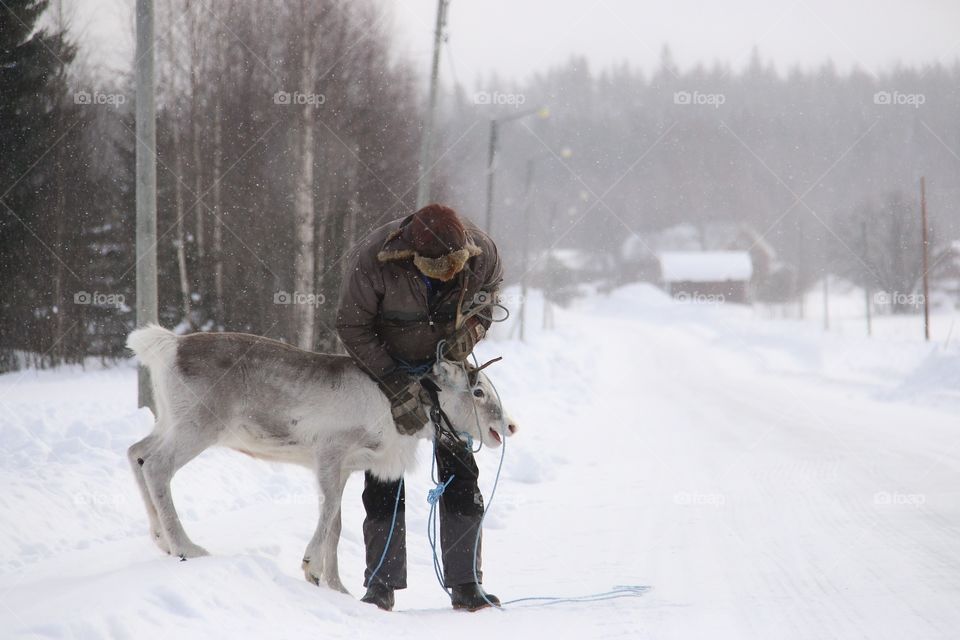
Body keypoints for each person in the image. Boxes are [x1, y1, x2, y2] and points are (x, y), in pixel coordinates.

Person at [336, 203, 503, 612]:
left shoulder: (483, 252)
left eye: (455, 268)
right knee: (385, 472)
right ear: (413, 255)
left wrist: (474, 331)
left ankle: (466, 583)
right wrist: (394, 383)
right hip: (386, 368)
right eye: (438, 268)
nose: (449, 275)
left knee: (461, 470)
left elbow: (488, 300)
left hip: (447, 374)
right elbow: (352, 325)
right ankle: (381, 584)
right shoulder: (374, 257)